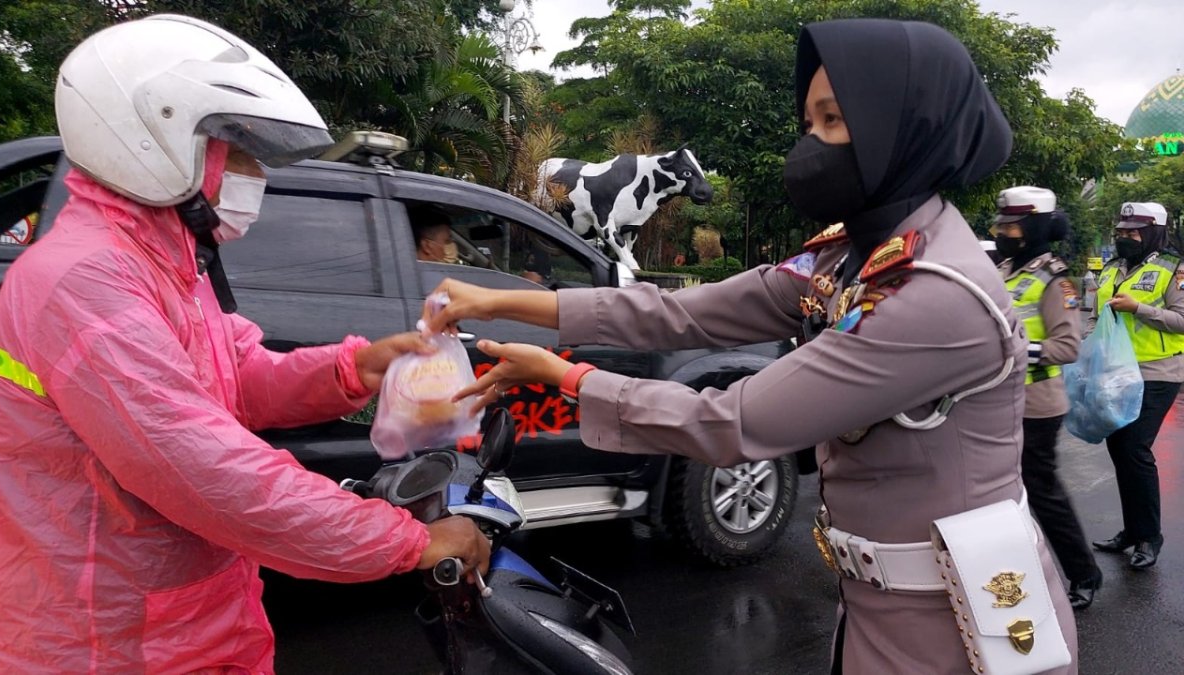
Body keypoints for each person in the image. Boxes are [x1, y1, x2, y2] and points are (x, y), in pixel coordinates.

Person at [425, 19, 1077, 674]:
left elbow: (734, 421)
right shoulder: (853, 256)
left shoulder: (938, 295)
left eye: (833, 121)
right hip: (875, 600)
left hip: (960, 625)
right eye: (809, 121)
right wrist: (498, 299)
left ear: (902, 126)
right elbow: (679, 313)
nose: (810, 144)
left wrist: (562, 377)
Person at [0, 16, 489, 671]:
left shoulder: (164, 266)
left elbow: (236, 372)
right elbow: (204, 466)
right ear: (156, 141)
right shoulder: (82, 282)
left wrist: (353, 366)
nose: (251, 171)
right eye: (232, 149)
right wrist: (404, 538)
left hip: (183, 621)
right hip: (105, 640)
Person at [993, 186, 1103, 609]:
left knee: (1041, 490)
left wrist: (1014, 349)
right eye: (1001, 224)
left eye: (1014, 225)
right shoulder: (1005, 269)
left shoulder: (1055, 279)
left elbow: (1067, 347)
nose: (1005, 232)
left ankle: (1084, 573)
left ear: (1037, 227)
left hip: (1037, 403)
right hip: (997, 398)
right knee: (999, 492)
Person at [1089, 201, 1184, 569]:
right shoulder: (1112, 268)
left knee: (1134, 449)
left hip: (1157, 373)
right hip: (1115, 372)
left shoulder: (1173, 270)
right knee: (1120, 451)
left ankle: (1149, 537)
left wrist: (1139, 309)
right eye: (1122, 231)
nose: (1125, 237)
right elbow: (1098, 318)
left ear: (1154, 233)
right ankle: (1132, 531)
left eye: (1134, 232)